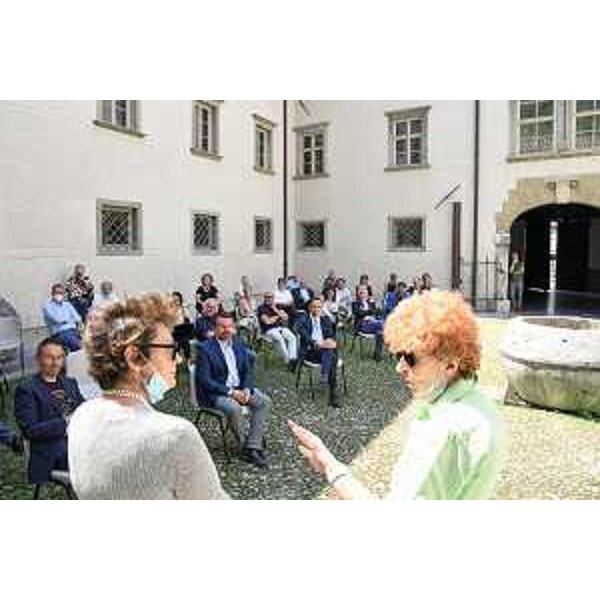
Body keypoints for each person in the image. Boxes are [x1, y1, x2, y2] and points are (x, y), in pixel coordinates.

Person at [289, 290, 504, 500]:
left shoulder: (443, 430)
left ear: (450, 365)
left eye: (410, 358)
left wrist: (332, 469)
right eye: (398, 355)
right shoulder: (479, 405)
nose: (399, 367)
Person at [68, 293, 229, 499]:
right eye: (171, 349)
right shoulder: (174, 435)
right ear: (134, 357)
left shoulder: (81, 416)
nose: (178, 359)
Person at [196, 312, 271, 469]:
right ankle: (244, 445)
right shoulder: (205, 348)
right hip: (215, 393)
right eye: (222, 326)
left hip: (240, 388)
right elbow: (205, 380)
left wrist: (247, 389)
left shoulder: (238, 343)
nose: (226, 330)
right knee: (233, 407)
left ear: (234, 327)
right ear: (215, 328)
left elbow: (247, 371)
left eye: (229, 326)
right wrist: (231, 392)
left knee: (263, 401)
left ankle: (252, 446)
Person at [14, 338, 85, 485]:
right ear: (38, 359)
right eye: (49, 357)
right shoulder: (27, 390)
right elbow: (30, 430)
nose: (55, 363)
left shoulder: (70, 383)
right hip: (54, 450)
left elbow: (84, 409)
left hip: (80, 441)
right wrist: (66, 422)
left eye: (59, 357)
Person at [297, 298, 340, 408]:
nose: (316, 309)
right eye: (314, 306)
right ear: (309, 308)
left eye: (319, 307)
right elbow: (305, 336)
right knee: (332, 355)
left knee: (330, 353)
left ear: (322, 308)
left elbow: (331, 334)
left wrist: (330, 341)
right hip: (310, 352)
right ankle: (331, 389)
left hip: (325, 351)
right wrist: (317, 343)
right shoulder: (303, 319)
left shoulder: (325, 320)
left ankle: (330, 389)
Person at [257, 292, 298, 370]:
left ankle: (293, 359)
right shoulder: (261, 308)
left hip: (280, 327)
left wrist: (275, 310)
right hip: (268, 330)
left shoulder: (277, 306)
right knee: (279, 338)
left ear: (273, 298)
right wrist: (278, 316)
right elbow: (267, 322)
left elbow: (286, 317)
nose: (269, 299)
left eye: (271, 297)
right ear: (264, 298)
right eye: (267, 297)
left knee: (292, 337)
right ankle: (287, 361)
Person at [42, 283, 82, 352]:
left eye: (61, 293)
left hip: (74, 331)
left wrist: (66, 320)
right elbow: (57, 319)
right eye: (57, 292)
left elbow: (78, 318)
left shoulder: (67, 304)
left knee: (87, 342)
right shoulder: (47, 306)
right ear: (52, 293)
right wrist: (70, 319)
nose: (59, 295)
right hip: (60, 333)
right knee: (77, 345)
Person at [352, 285, 384, 361]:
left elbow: (376, 311)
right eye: (360, 291)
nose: (362, 293)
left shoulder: (370, 302)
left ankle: (377, 355)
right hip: (362, 325)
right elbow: (359, 313)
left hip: (373, 323)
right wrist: (369, 312)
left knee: (380, 333)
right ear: (358, 293)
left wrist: (368, 311)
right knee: (382, 324)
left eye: (364, 291)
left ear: (367, 293)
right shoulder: (355, 303)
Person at [171, 291, 194, 361]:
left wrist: (185, 311)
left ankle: (188, 359)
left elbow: (190, 320)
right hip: (173, 332)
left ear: (180, 301)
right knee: (175, 344)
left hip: (182, 331)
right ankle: (175, 357)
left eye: (177, 300)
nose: (175, 302)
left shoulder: (183, 310)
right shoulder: (169, 310)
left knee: (185, 342)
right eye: (173, 300)